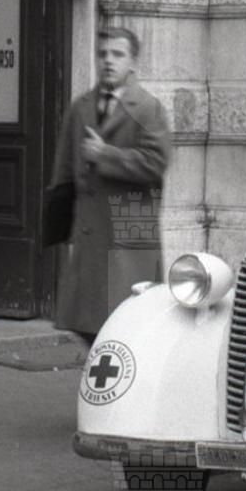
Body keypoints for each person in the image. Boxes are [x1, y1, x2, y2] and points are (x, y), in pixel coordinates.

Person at [49, 24, 172, 339]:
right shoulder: (80, 107)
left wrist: (105, 155)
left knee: (128, 323)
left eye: (117, 54)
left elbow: (156, 163)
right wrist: (59, 225)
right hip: (91, 231)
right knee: (86, 323)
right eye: (102, 54)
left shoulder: (148, 108)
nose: (108, 61)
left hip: (129, 230)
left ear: (133, 63)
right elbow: (64, 169)